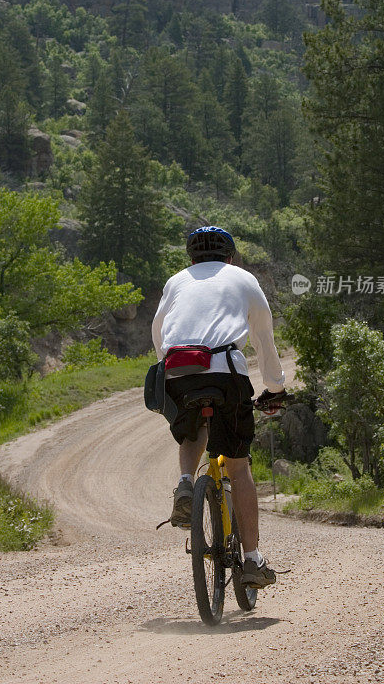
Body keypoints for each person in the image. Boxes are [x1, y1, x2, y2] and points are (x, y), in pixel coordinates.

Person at [151, 225, 288, 589]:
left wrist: (169, 369)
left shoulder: (176, 281)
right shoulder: (243, 279)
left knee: (193, 425)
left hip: (178, 371)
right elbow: (263, 338)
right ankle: (252, 561)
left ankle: (184, 483)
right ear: (230, 257)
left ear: (192, 259)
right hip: (226, 373)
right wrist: (274, 387)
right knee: (239, 468)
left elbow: (158, 332)